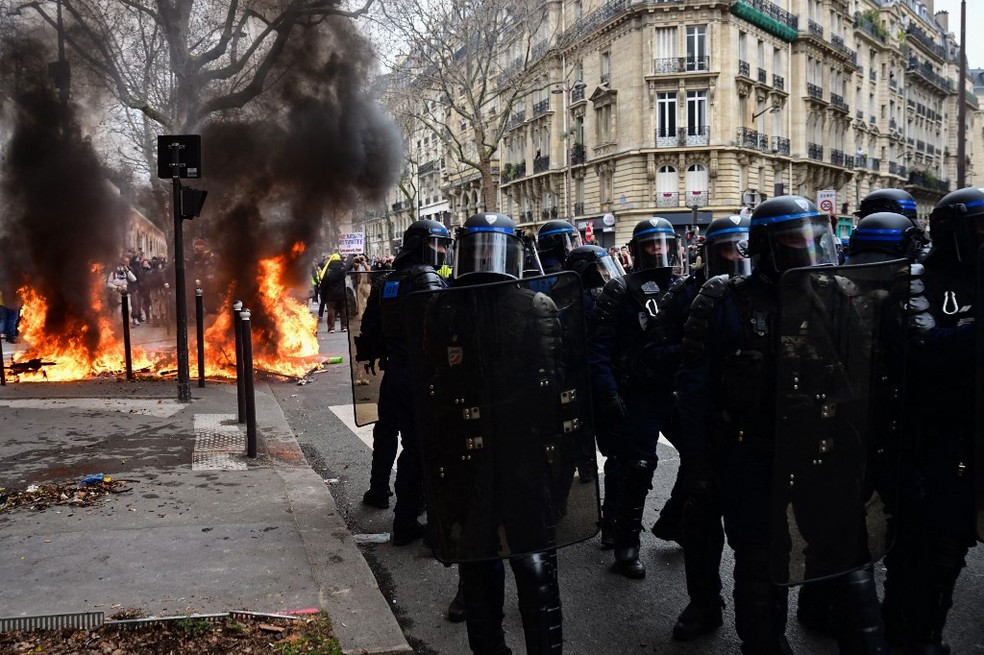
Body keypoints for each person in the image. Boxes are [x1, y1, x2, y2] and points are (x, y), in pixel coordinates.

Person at [676, 195, 892, 655]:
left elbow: (864, 377)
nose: (809, 248)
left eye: (815, 237)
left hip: (822, 450)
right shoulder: (723, 301)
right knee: (758, 565)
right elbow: (694, 391)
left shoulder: (838, 296)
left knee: (844, 556)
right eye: (796, 241)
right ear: (766, 246)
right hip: (751, 453)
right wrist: (698, 464)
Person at [411, 211, 592, 654]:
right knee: (487, 564)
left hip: (509, 455)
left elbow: (554, 389)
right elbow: (433, 386)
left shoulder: (527, 307)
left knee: (514, 564)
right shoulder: (453, 308)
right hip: (489, 456)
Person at [880, 186, 981, 655]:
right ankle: (911, 639)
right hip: (930, 441)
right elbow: (922, 351)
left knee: (953, 551)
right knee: (924, 554)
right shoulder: (915, 280)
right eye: (978, 228)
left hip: (973, 437)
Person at [644, 214, 751, 640]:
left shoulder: (770, 293)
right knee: (701, 520)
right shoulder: (688, 294)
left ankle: (758, 618)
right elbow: (656, 345)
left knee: (755, 531)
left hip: (753, 431)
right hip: (705, 423)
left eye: (740, 248)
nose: (734, 257)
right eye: (726, 249)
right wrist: (692, 355)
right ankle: (705, 602)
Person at [588, 216, 681, 578]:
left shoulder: (682, 286)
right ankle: (627, 543)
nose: (658, 250)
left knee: (703, 456)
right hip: (637, 392)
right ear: (638, 250)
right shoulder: (620, 290)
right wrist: (609, 390)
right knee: (636, 467)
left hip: (674, 390)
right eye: (650, 245)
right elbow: (599, 348)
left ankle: (677, 518)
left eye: (663, 244)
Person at [354, 220, 451, 545]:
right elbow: (443, 328)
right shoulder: (427, 279)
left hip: (394, 372)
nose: (442, 250)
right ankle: (407, 520)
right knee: (417, 448)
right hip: (420, 376)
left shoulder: (387, 281)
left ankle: (378, 490)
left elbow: (369, 330)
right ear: (422, 245)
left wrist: (383, 353)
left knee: (385, 432)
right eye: (438, 244)